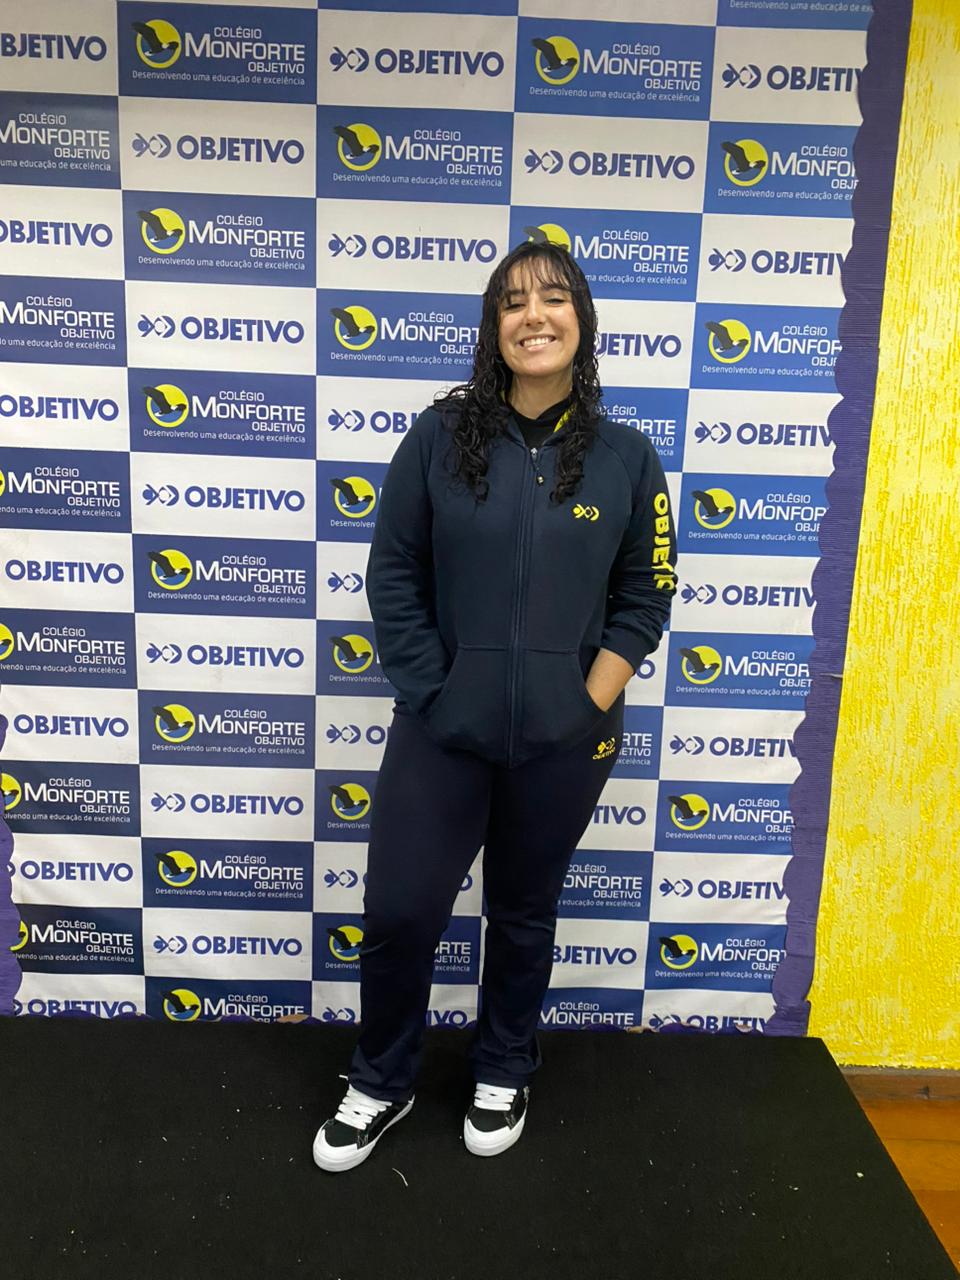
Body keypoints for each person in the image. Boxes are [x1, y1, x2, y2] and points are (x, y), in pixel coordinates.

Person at [313, 241, 677, 1173]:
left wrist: (587, 702)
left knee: (523, 913)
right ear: (494, 327)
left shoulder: (628, 459)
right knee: (401, 912)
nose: (534, 316)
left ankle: (505, 1066)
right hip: (443, 730)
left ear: (581, 320)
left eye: (553, 298)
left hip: (566, 738)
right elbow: (394, 572)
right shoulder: (438, 438)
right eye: (513, 303)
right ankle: (381, 1079)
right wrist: (434, 692)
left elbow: (647, 595)